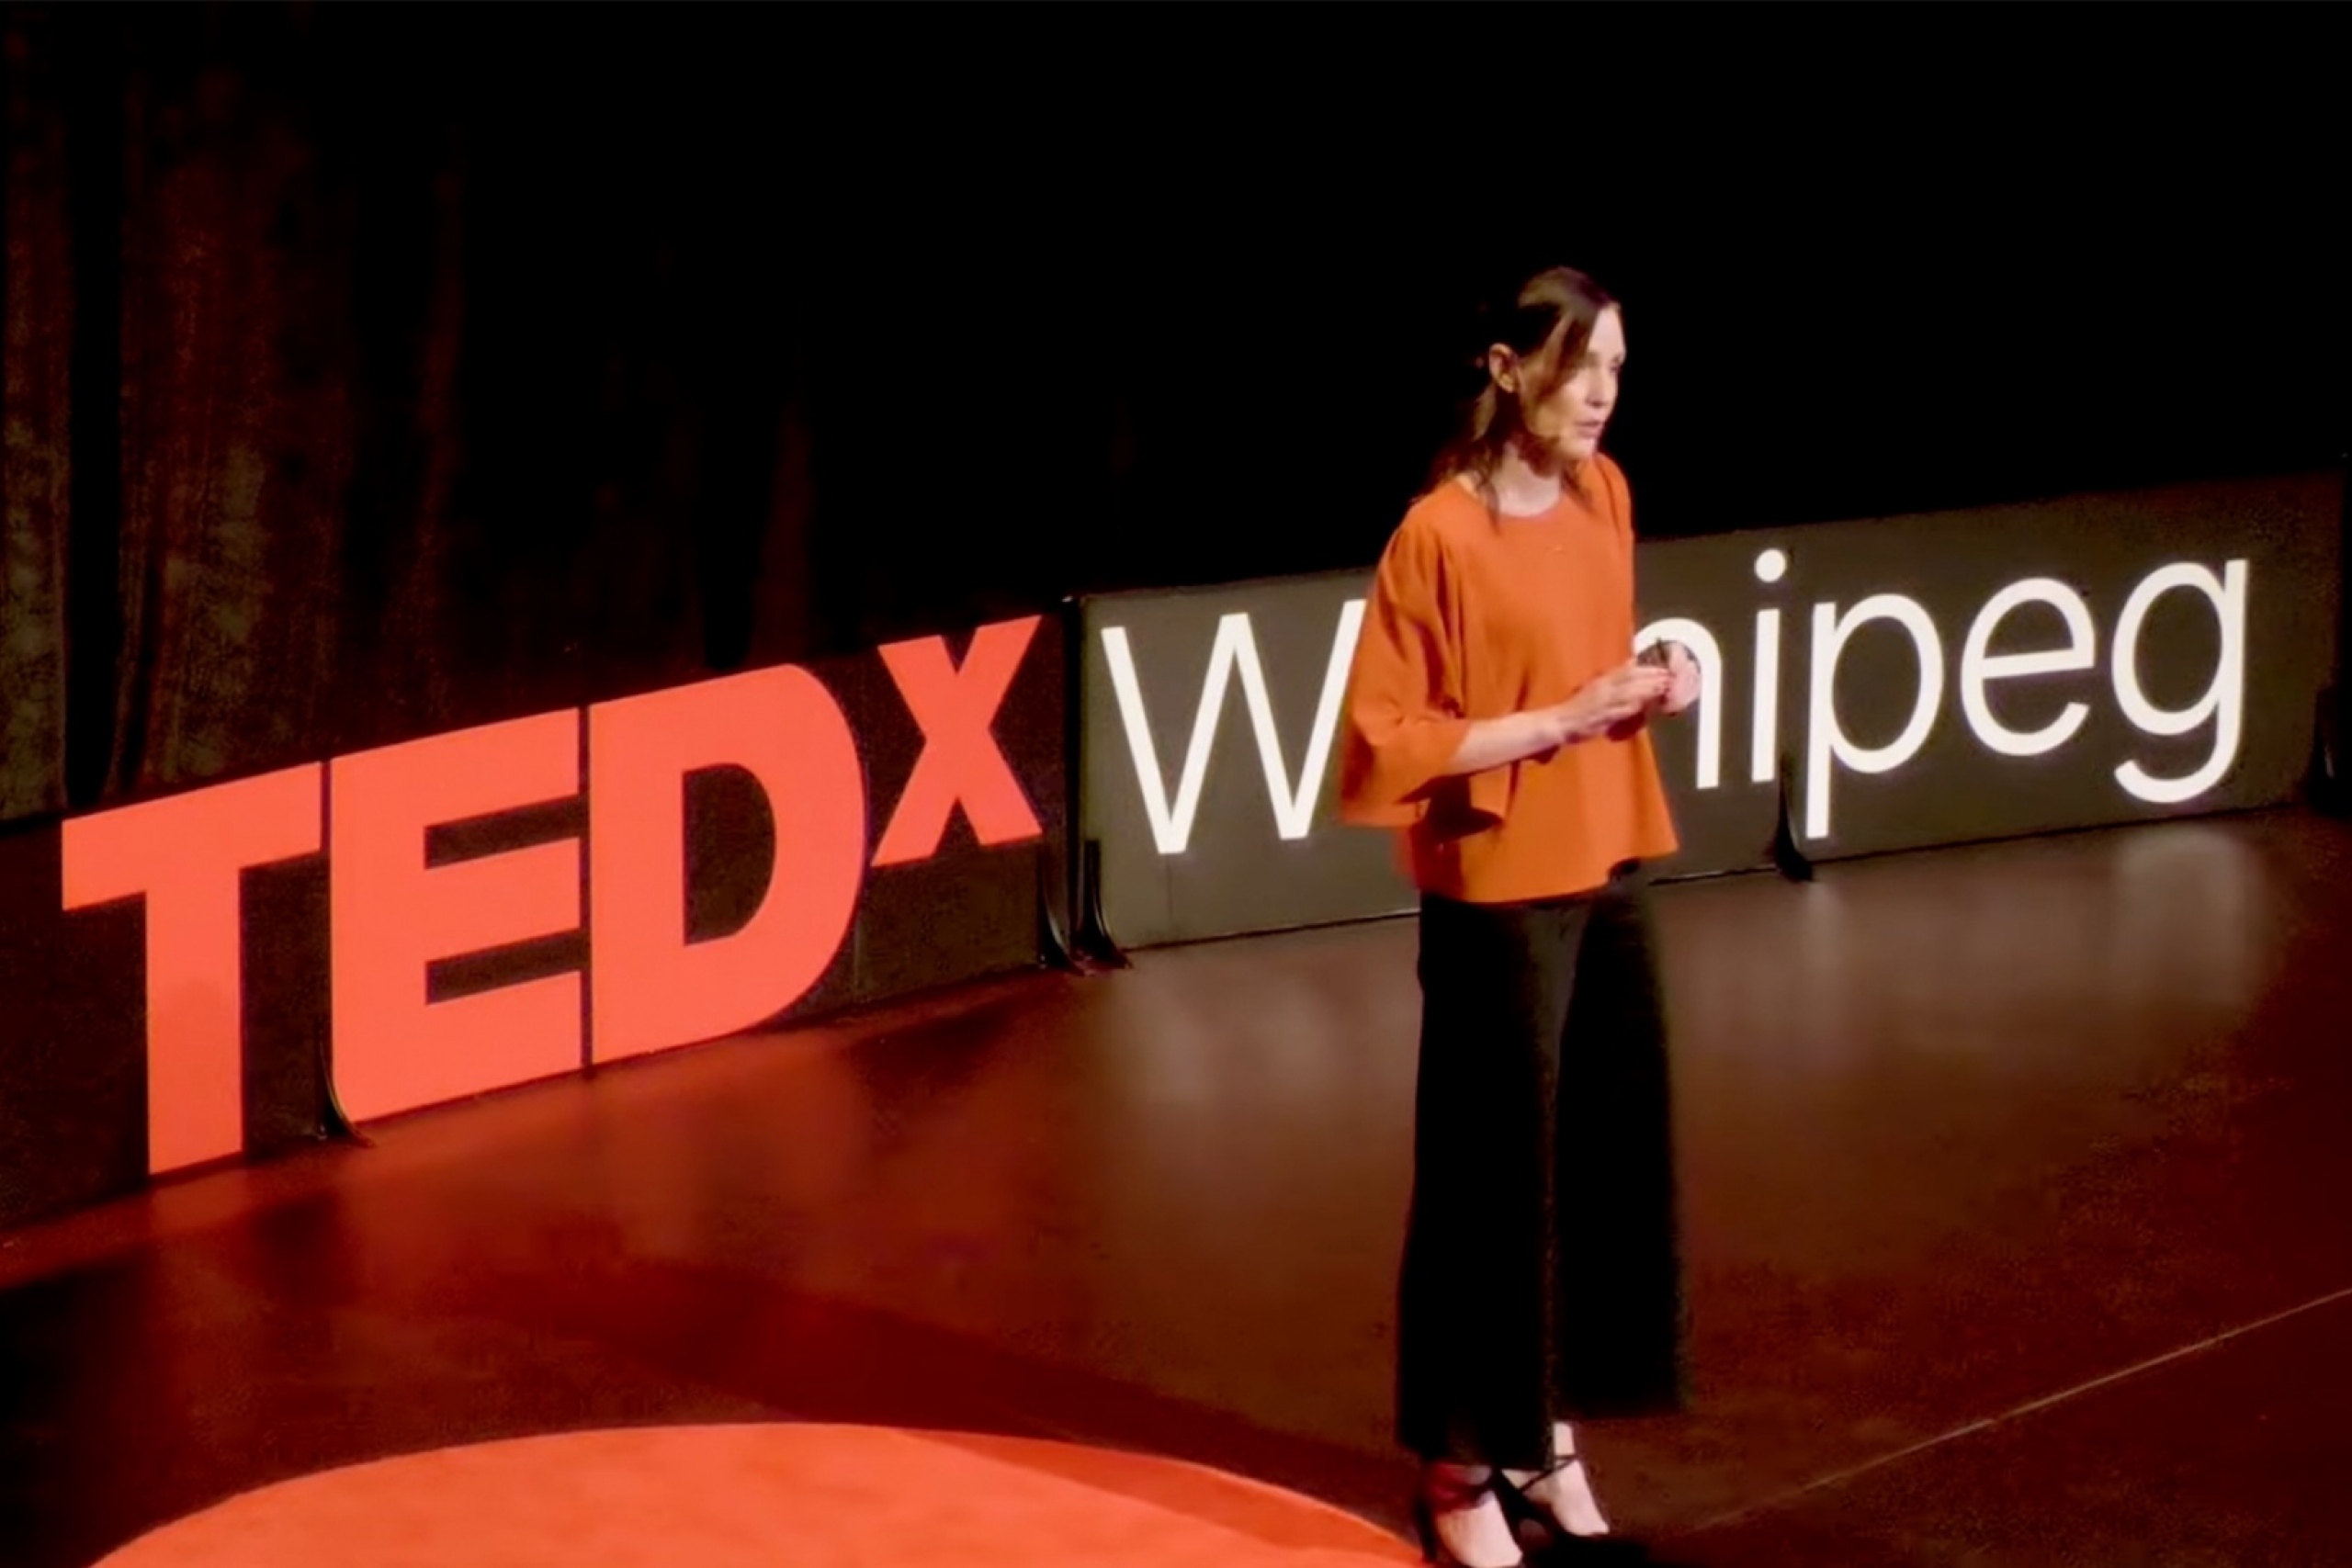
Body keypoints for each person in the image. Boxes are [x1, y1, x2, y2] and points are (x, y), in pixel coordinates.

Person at [1338, 265, 1700, 1567]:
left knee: (1598, 1161)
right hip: (1496, 888)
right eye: (1579, 365)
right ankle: (1457, 1467)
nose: (1601, 394)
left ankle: (1542, 1435)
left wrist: (1662, 675)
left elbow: (1592, 654)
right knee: (1490, 1181)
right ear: (1507, 369)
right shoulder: (1437, 535)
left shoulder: (1607, 495)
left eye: (1617, 370)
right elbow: (1385, 740)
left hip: (1608, 859)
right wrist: (1558, 720)